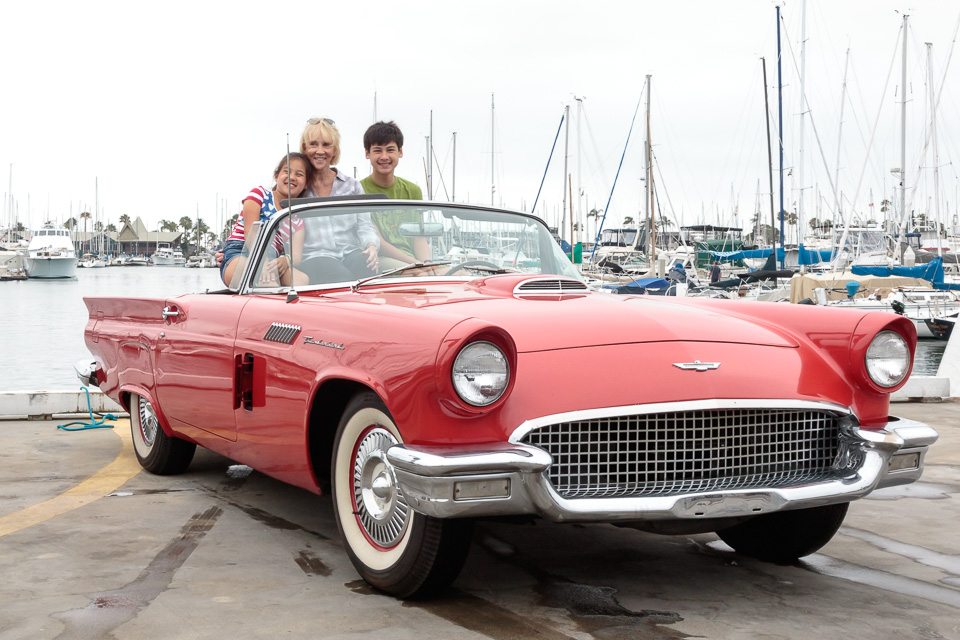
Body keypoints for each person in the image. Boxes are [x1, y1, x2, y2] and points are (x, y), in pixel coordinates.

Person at [298, 117, 379, 281]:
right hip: (314, 256)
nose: (320, 151)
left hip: (350, 251)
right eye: (313, 144)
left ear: (334, 150)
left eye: (326, 145)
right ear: (305, 148)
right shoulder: (299, 187)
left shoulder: (352, 185)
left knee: (367, 267)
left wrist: (371, 246)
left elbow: (365, 226)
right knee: (342, 277)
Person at [220, 153, 312, 287]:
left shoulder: (297, 221)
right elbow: (250, 233)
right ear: (276, 176)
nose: (292, 177)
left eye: (299, 174)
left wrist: (286, 260)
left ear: (306, 183)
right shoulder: (259, 194)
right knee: (268, 284)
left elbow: (296, 256)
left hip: (271, 260)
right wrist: (261, 262)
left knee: (301, 280)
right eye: (286, 171)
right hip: (241, 250)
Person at [360, 121, 430, 270]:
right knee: (419, 275)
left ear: (400, 152)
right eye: (377, 151)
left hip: (413, 260)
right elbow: (377, 241)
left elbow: (419, 238)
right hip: (379, 258)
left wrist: (428, 265)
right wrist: (415, 264)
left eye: (390, 150)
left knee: (458, 274)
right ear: (367, 154)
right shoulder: (359, 190)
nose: (384, 156)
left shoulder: (413, 190)